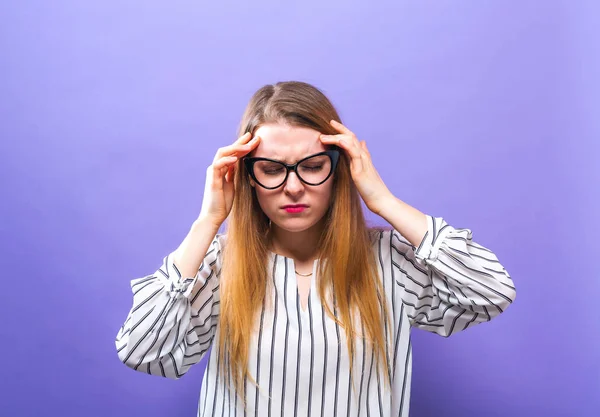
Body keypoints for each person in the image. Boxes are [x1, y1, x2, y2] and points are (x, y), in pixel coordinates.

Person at [115, 81, 516, 417]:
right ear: (248, 177)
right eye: (271, 169)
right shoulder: (219, 266)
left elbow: (491, 292)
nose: (293, 187)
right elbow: (143, 351)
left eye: (311, 166)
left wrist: (383, 200)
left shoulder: (391, 262)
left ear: (338, 168)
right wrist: (208, 222)